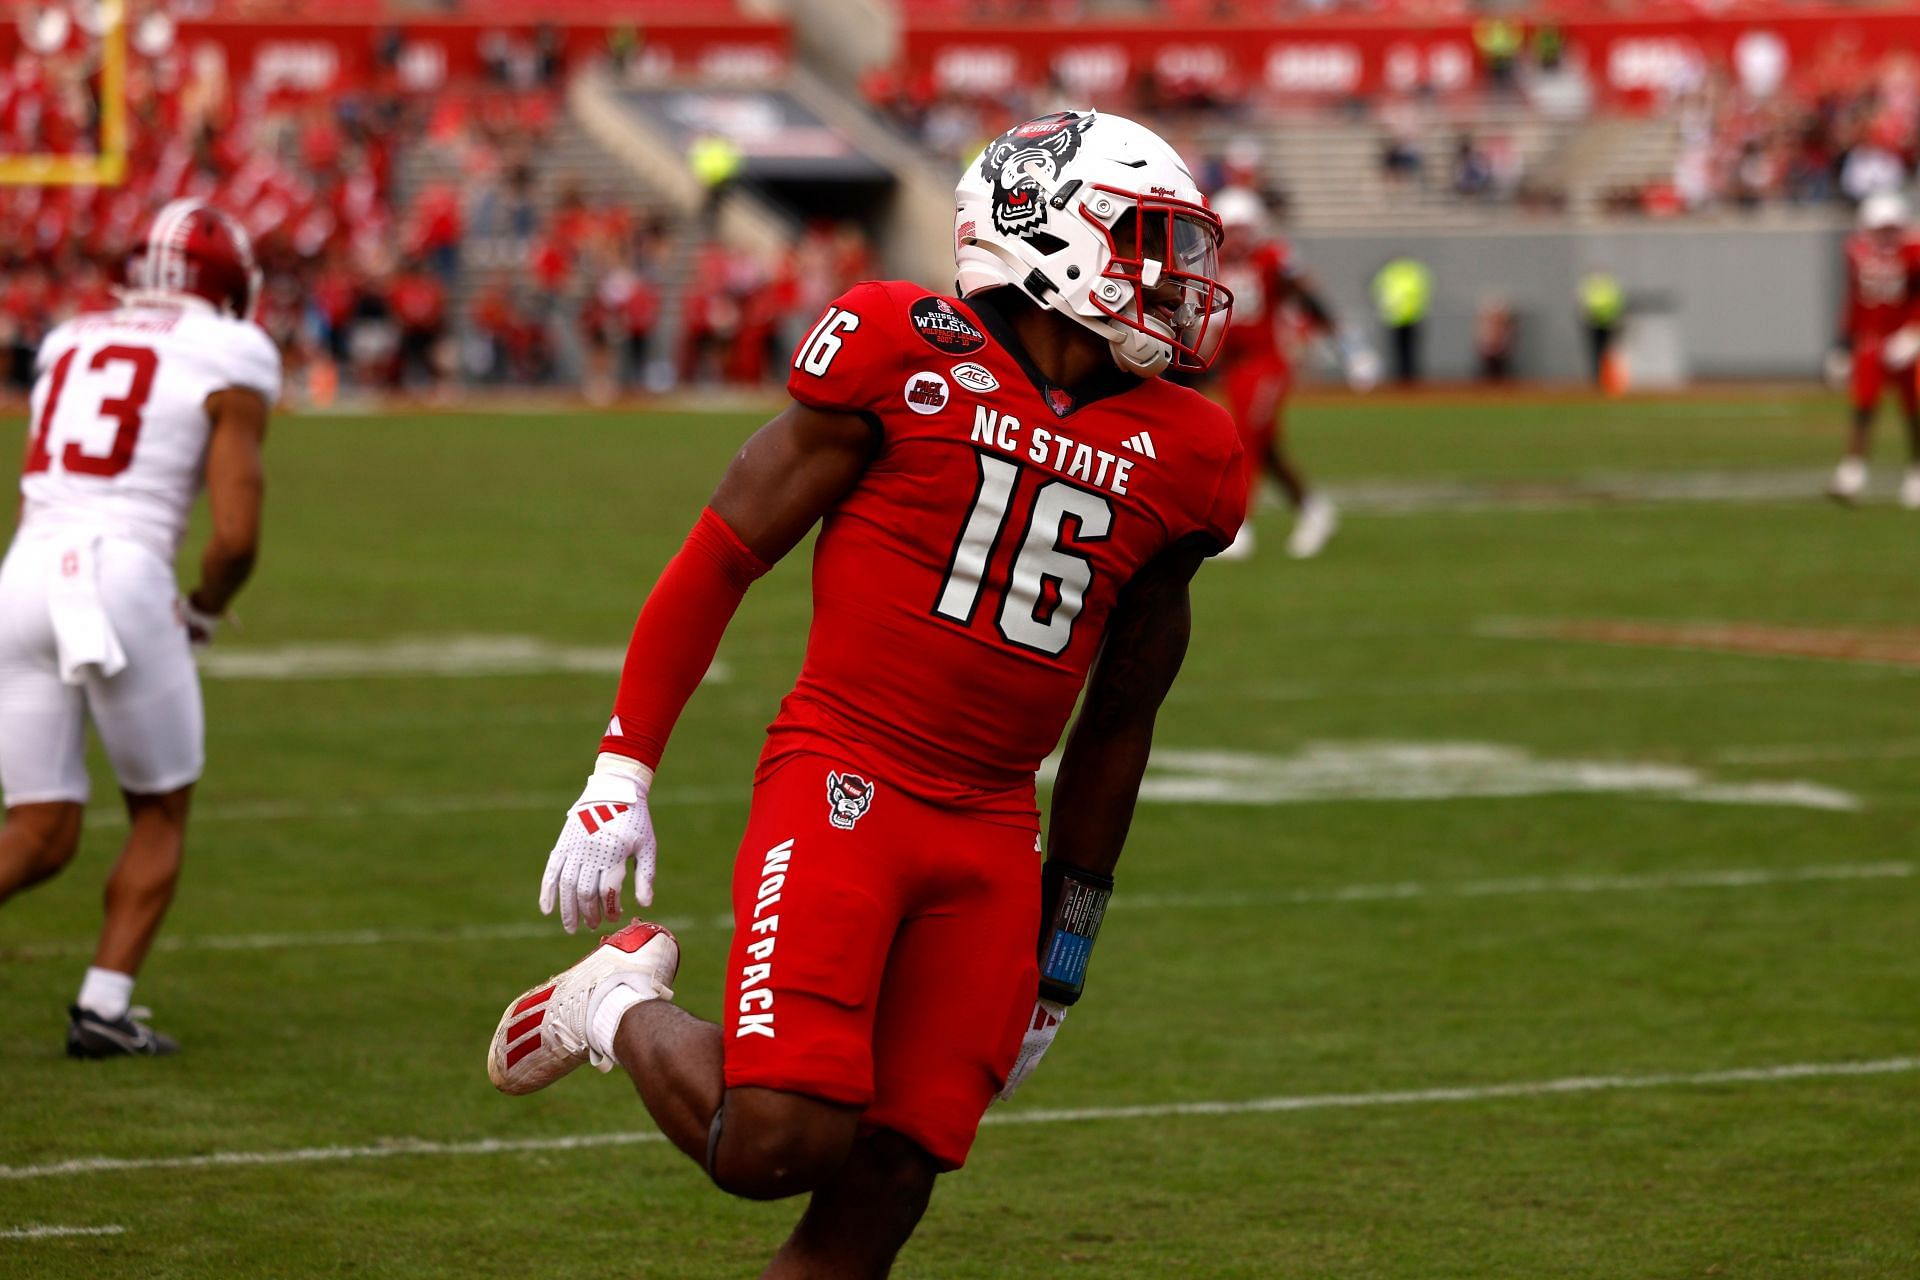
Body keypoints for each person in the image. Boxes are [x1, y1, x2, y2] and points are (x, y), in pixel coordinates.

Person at [485, 110, 1246, 1279]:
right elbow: (721, 554)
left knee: (888, 1181)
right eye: (1142, 239)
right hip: (846, 776)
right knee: (776, 1138)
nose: (1173, 277)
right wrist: (620, 769)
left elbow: (1124, 712)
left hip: (993, 825)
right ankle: (613, 1002)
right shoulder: (907, 348)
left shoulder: (1189, 448)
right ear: (1039, 227)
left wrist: (1070, 940)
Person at [0, 200, 279, 1056]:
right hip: (119, 576)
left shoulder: (72, 338)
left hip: (24, 575)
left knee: (41, 829)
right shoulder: (232, 350)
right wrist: (199, 608)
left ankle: (107, 1007)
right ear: (230, 284)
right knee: (159, 812)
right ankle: (105, 1006)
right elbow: (235, 537)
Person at [1206, 186, 1357, 560]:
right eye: (1232, 228)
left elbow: (1307, 297)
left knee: (1245, 437)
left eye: (1244, 227)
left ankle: (1239, 527)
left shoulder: (1273, 256)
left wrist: (1345, 346)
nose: (1238, 236)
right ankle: (1314, 510)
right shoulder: (1213, 260)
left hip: (1268, 360)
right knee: (1265, 448)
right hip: (1233, 365)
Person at [1828, 191, 1920, 508]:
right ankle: (1852, 472)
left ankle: (1916, 474)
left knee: (1914, 411)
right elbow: (1854, 300)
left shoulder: (1913, 251)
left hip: (1908, 342)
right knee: (1863, 406)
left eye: (1891, 227)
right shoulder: (1856, 252)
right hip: (1870, 340)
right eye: (1880, 228)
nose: (1885, 234)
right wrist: (1843, 343)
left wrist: (1914, 332)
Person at [1373, 255, 1431, 385]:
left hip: (1398, 318)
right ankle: (1407, 379)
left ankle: (1405, 379)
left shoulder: (1389, 274)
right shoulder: (1413, 273)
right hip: (1409, 317)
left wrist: (1385, 310)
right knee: (1407, 351)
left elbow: (1378, 292)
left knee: (1401, 351)